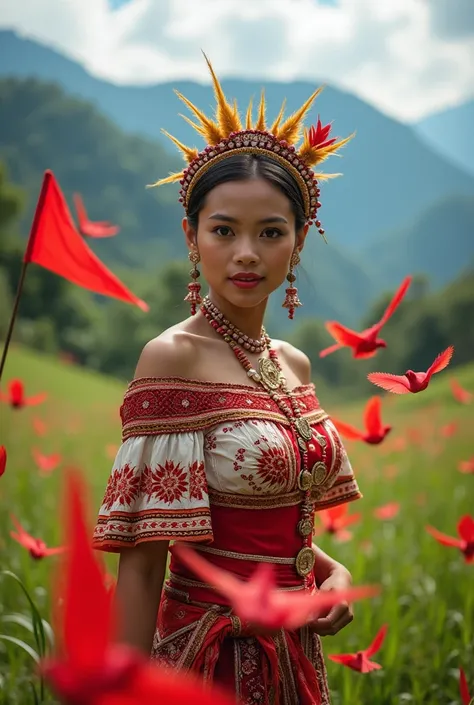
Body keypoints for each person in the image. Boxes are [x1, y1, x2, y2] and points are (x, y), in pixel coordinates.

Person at [92, 56, 362, 705]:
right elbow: (143, 562)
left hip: (296, 654)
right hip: (208, 659)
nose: (247, 252)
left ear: (297, 244)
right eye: (224, 230)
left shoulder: (291, 363)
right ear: (192, 237)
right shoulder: (171, 357)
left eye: (270, 232)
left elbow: (271, 525)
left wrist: (331, 572)